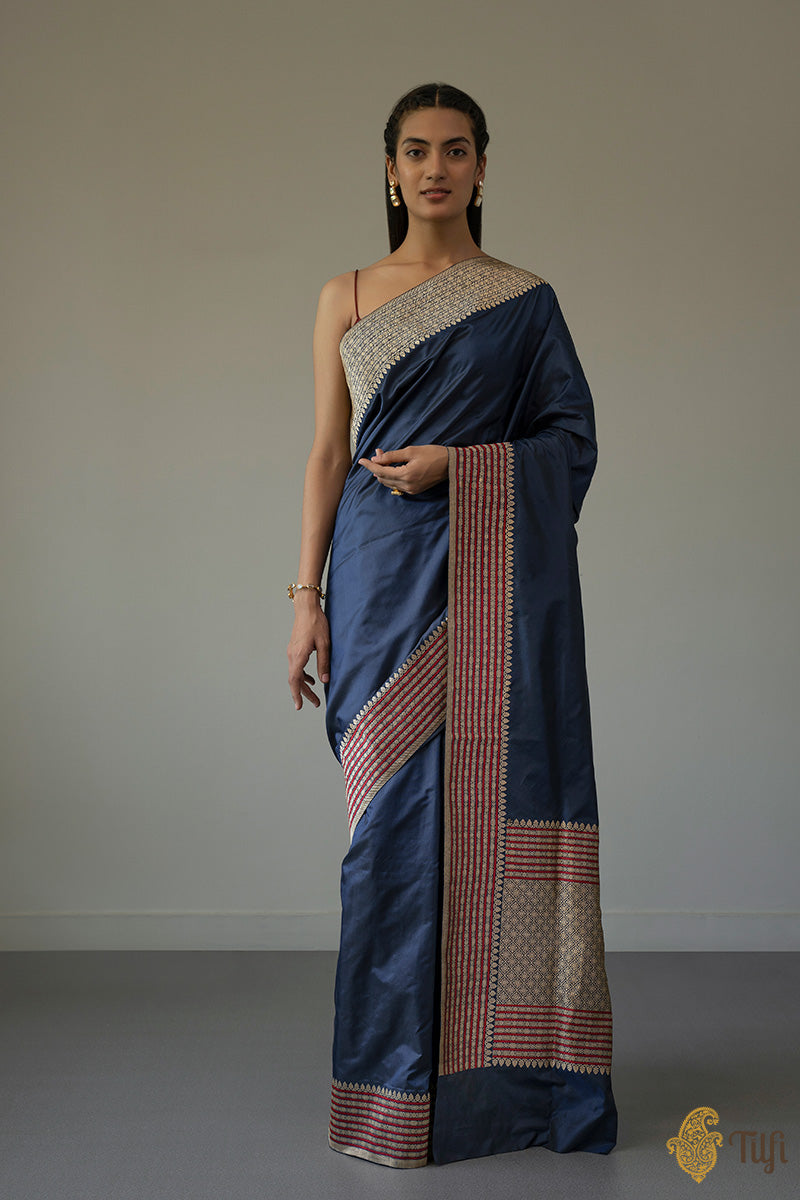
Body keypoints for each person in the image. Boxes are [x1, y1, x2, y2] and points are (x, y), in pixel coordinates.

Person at [287, 82, 618, 1169]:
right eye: (417, 150)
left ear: (482, 167)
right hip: (378, 576)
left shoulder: (523, 301)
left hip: (486, 580)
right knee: (387, 826)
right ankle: (386, 1091)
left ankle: (504, 1093)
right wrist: (304, 600)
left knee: (497, 806)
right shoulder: (344, 293)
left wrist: (460, 467)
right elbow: (327, 454)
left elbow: (569, 440)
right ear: (389, 170)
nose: (436, 168)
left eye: (457, 150)